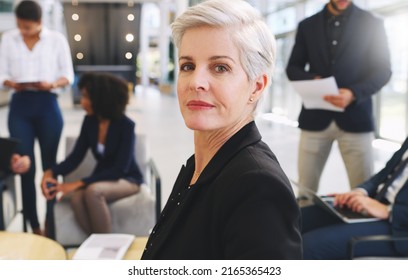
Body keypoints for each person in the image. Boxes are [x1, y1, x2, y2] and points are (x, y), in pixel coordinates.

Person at [141, 0, 302, 260]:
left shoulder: (257, 186)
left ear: (257, 87)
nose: (196, 82)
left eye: (220, 67)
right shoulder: (202, 165)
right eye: (187, 66)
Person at [286, 0, 392, 197]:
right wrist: (314, 80)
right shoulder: (307, 25)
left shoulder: (372, 23)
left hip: (356, 117)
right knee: (305, 192)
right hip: (315, 118)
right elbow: (292, 68)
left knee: (362, 193)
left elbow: (383, 71)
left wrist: (353, 93)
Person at [0, 0, 74, 235]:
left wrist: (50, 83)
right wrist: (10, 82)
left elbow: (68, 76)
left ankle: (51, 221)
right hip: (20, 106)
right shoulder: (8, 39)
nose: (23, 31)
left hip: (47, 105)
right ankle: (33, 224)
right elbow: (1, 73)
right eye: (20, 26)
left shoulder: (57, 40)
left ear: (40, 23)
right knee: (24, 166)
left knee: (49, 167)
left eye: (28, 27)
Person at [41, 72, 143, 235]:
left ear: (100, 98)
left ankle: (106, 249)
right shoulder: (90, 122)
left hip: (127, 179)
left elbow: (120, 169)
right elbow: (75, 157)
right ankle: (97, 244)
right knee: (76, 198)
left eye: (86, 97)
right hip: (102, 178)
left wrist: (79, 183)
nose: (82, 102)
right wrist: (51, 171)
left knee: (92, 191)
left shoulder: (126, 126)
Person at [301, 136, 408, 259]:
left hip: (400, 227)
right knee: (296, 218)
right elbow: (385, 173)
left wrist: (388, 211)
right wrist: (361, 192)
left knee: (310, 245)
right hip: (376, 203)